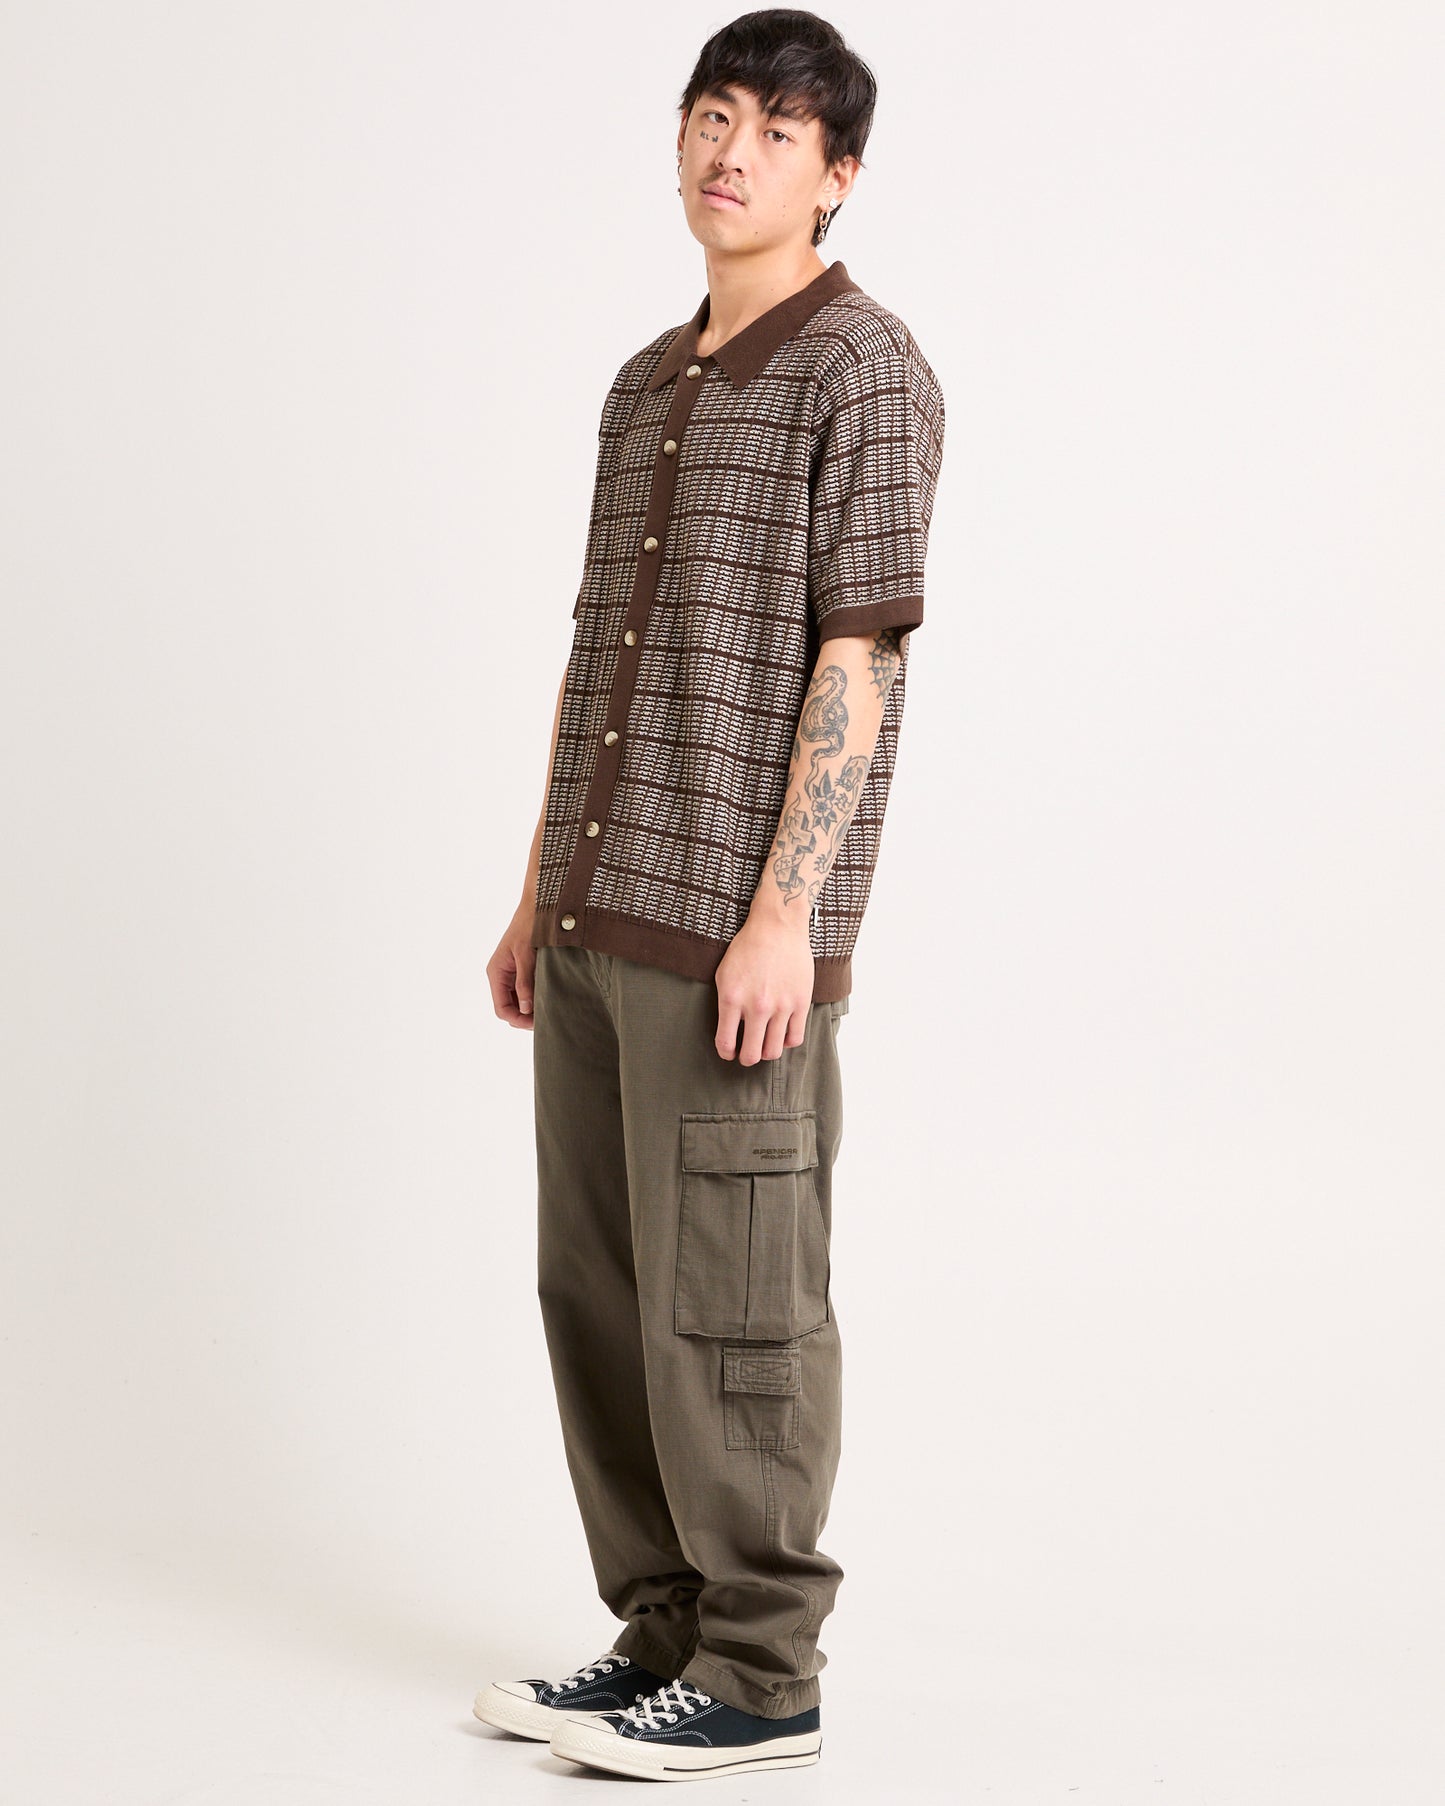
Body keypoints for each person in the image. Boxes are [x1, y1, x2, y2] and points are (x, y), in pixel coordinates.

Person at [475, 8, 945, 1783]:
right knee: (595, 1288)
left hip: (736, 939)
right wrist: (537, 887)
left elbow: (858, 657)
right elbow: (595, 650)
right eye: (711, 114)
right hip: (598, 913)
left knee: (735, 1302)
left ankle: (761, 1671)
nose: (729, 151)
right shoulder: (641, 385)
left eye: (776, 130)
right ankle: (663, 1629)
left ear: (837, 176)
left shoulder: (864, 368)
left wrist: (784, 918)